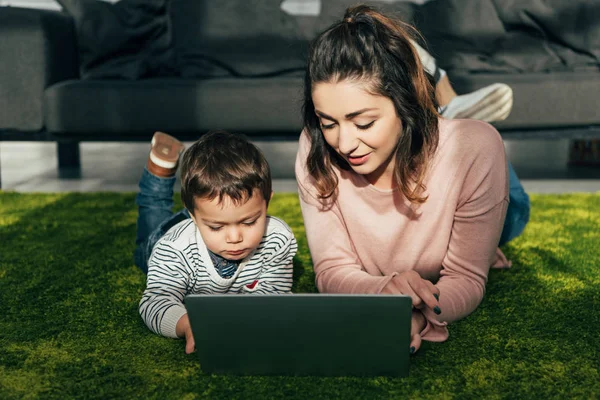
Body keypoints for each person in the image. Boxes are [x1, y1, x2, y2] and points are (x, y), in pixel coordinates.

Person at [295, 5, 530, 354]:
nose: (343, 143)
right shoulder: (316, 146)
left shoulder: (475, 150)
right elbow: (331, 269)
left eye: (363, 123)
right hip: (429, 148)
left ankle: (444, 110)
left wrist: (418, 318)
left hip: (472, 172)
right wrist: (384, 292)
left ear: (403, 103)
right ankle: (441, 105)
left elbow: (466, 278)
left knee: (504, 210)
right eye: (329, 122)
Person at [136, 131, 298, 354]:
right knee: (152, 225)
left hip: (202, 218)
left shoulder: (277, 239)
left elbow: (274, 292)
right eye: (217, 227)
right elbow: (156, 300)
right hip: (163, 241)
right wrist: (186, 324)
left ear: (267, 201)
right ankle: (160, 169)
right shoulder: (172, 250)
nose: (234, 238)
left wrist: (250, 318)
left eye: (250, 222)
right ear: (192, 215)